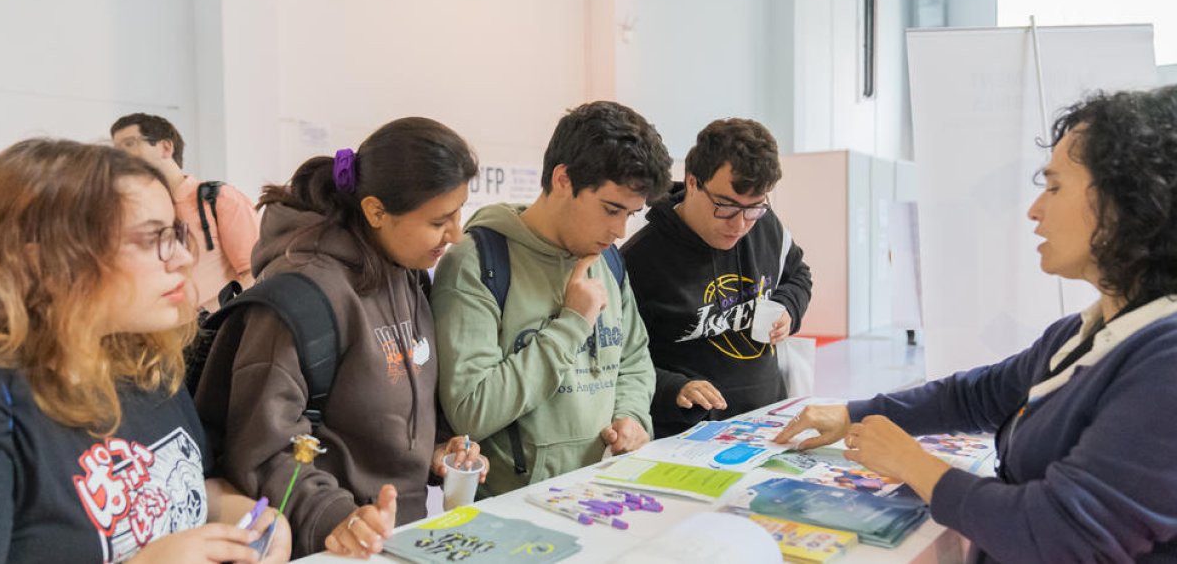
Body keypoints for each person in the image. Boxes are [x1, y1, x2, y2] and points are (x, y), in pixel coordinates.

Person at [776, 86, 1177, 562]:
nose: (1035, 210)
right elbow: (977, 393)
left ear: (1128, 201)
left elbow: (1059, 532)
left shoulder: (1164, 363)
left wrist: (912, 463)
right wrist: (851, 414)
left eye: (1054, 187)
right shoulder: (1081, 334)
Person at [0, 139, 290, 563]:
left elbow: (193, 488)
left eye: (176, 234)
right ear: (44, 263)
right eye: (151, 239)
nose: (181, 257)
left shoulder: (145, 363)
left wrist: (251, 519)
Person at [199, 118, 486, 559]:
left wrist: (439, 448)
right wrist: (336, 516)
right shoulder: (302, 295)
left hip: (403, 540)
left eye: (459, 212)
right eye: (439, 220)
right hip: (331, 548)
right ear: (375, 211)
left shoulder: (408, 277)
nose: (456, 234)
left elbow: (398, 408)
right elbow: (261, 448)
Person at [431, 101, 672, 496]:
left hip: (601, 494)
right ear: (563, 179)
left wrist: (631, 417)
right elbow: (472, 409)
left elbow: (633, 358)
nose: (619, 230)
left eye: (630, 214)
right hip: (514, 511)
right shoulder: (476, 262)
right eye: (611, 209)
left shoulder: (607, 258)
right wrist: (572, 324)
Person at [622, 118, 812, 438]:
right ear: (693, 182)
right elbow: (622, 362)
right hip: (688, 434)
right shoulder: (641, 259)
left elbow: (798, 274)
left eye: (754, 208)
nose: (739, 225)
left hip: (768, 420)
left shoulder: (766, 226)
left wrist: (788, 307)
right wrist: (673, 388)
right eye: (725, 206)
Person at [112, 113, 261, 310]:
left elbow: (253, 273)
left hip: (217, 330)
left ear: (166, 147)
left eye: (130, 144)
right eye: (116, 150)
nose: (121, 157)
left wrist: (211, 317)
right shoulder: (141, 211)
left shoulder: (219, 198)